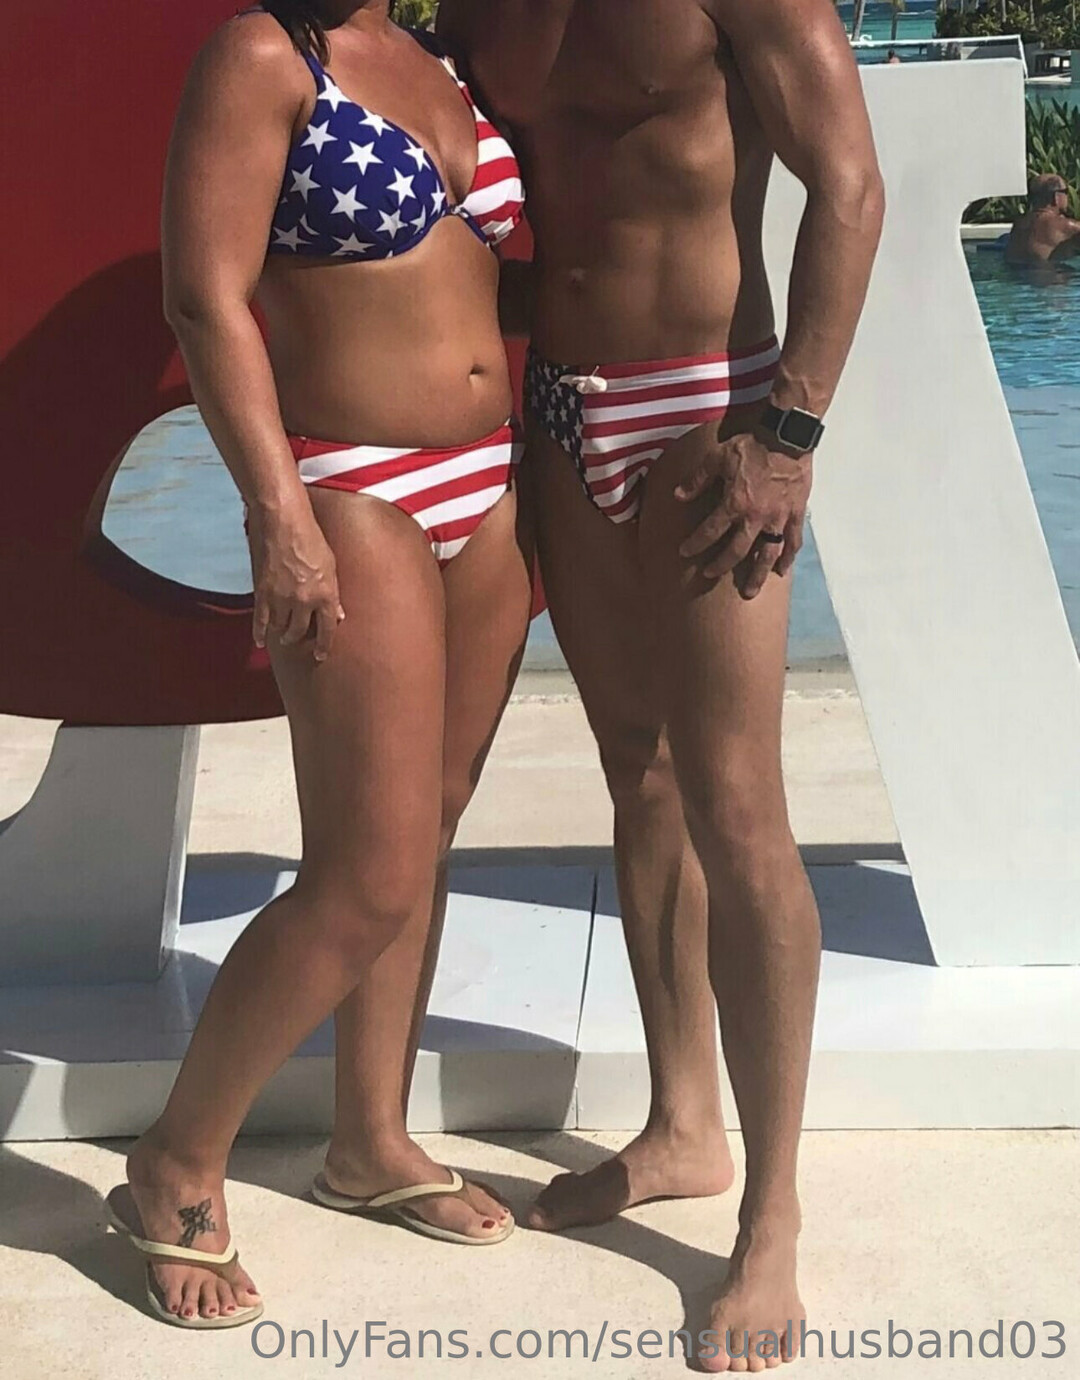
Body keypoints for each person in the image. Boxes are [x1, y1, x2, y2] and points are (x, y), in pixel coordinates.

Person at [436, 0, 884, 1370]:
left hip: (709, 406)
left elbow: (851, 186)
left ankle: (772, 1215)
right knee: (637, 772)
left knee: (739, 809)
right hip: (563, 407)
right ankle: (684, 1124)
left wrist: (790, 431)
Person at [104, 0, 530, 1329]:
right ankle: (177, 1160)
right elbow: (204, 295)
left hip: (489, 485)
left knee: (429, 832)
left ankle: (370, 1142)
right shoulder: (258, 55)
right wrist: (276, 515)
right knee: (368, 872)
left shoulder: (440, 51)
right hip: (354, 489)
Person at [1005, 174, 1080, 265]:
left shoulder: (1018, 224)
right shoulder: (1066, 227)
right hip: (1048, 273)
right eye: (1065, 191)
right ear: (1056, 197)